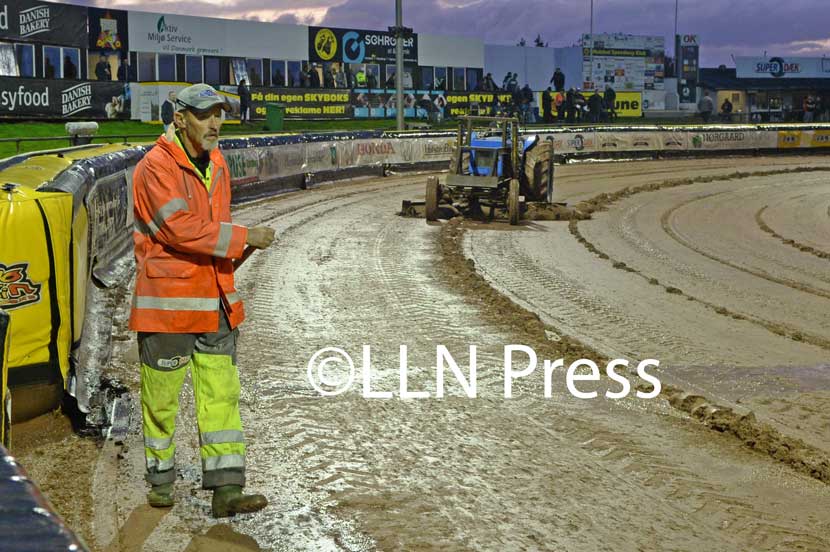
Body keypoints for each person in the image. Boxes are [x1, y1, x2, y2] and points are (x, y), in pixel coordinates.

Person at [131, 83, 275, 518]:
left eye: (219, 114)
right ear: (180, 119)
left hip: (214, 304)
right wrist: (243, 238)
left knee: (221, 396)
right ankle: (160, 481)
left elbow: (211, 230)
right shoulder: (154, 167)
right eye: (204, 114)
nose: (215, 123)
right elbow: (178, 227)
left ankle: (227, 488)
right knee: (161, 401)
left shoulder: (217, 163)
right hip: (169, 307)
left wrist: (233, 249)